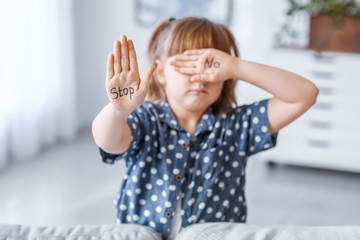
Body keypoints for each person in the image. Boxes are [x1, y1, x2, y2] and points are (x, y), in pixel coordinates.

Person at [92, 17, 319, 239]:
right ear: (160, 72)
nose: (199, 77)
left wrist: (235, 66)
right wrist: (119, 111)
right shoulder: (146, 120)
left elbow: (304, 95)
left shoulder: (237, 124)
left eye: (212, 65)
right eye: (187, 65)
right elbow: (109, 142)